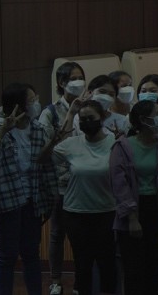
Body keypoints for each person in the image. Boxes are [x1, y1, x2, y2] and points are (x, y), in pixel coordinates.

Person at [0, 83, 57, 295]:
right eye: (31, 100)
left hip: (33, 202)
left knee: (31, 255)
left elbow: (47, 168)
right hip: (7, 203)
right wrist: (3, 129)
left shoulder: (38, 129)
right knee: (7, 256)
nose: (36, 103)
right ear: (17, 106)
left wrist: (51, 199)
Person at [45, 100, 119, 295]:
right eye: (83, 119)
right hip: (76, 212)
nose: (87, 122)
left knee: (107, 263)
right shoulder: (72, 144)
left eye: (91, 118)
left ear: (101, 118)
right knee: (82, 263)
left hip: (107, 211)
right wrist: (54, 140)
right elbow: (43, 159)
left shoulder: (115, 142)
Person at [111, 99, 158, 295]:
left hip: (157, 209)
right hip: (132, 209)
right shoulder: (123, 146)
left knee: (154, 266)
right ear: (143, 119)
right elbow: (119, 184)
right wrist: (132, 218)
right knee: (133, 269)